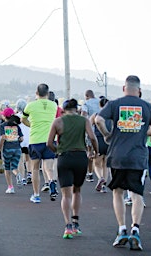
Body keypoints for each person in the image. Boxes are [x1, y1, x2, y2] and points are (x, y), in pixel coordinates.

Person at [95, 75, 151, 251]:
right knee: (136, 194)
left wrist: (106, 135)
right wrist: (146, 132)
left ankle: (122, 229)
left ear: (124, 88)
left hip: (117, 156)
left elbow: (98, 119)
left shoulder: (115, 104)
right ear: (139, 90)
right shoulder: (148, 107)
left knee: (117, 193)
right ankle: (135, 229)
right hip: (137, 157)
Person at [48, 99, 99, 239]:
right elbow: (92, 138)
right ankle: (76, 222)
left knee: (66, 194)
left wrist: (57, 151)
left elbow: (49, 142)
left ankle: (68, 225)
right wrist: (95, 152)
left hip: (64, 157)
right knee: (77, 190)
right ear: (76, 109)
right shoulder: (84, 120)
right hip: (80, 157)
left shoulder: (58, 121)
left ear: (63, 109)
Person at [21, 83, 58, 203]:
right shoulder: (54, 105)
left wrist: (31, 125)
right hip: (50, 140)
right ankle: (51, 181)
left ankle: (36, 195)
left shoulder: (30, 106)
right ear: (48, 94)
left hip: (35, 139)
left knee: (35, 168)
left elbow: (23, 119)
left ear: (36, 93)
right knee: (48, 167)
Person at [0, 107, 23, 194]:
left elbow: (3, 138)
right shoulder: (16, 126)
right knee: (14, 167)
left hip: (7, 149)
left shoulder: (2, 126)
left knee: (7, 168)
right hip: (17, 148)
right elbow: (22, 138)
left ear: (4, 116)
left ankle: (10, 187)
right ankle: (18, 175)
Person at [90, 98, 111, 193]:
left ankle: (100, 178)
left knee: (97, 164)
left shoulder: (95, 115)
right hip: (109, 141)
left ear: (100, 105)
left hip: (98, 140)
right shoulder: (111, 117)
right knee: (105, 165)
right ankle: (104, 185)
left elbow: (89, 128)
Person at [81, 90, 101, 182]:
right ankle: (101, 174)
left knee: (89, 151)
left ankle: (90, 173)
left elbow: (83, 115)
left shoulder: (86, 104)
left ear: (87, 96)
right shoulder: (100, 102)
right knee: (100, 153)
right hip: (101, 130)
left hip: (90, 130)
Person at [15, 99, 31, 185]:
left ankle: (22, 178)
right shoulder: (30, 116)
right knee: (28, 158)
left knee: (20, 160)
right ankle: (29, 173)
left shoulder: (15, 117)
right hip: (29, 140)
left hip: (20, 140)